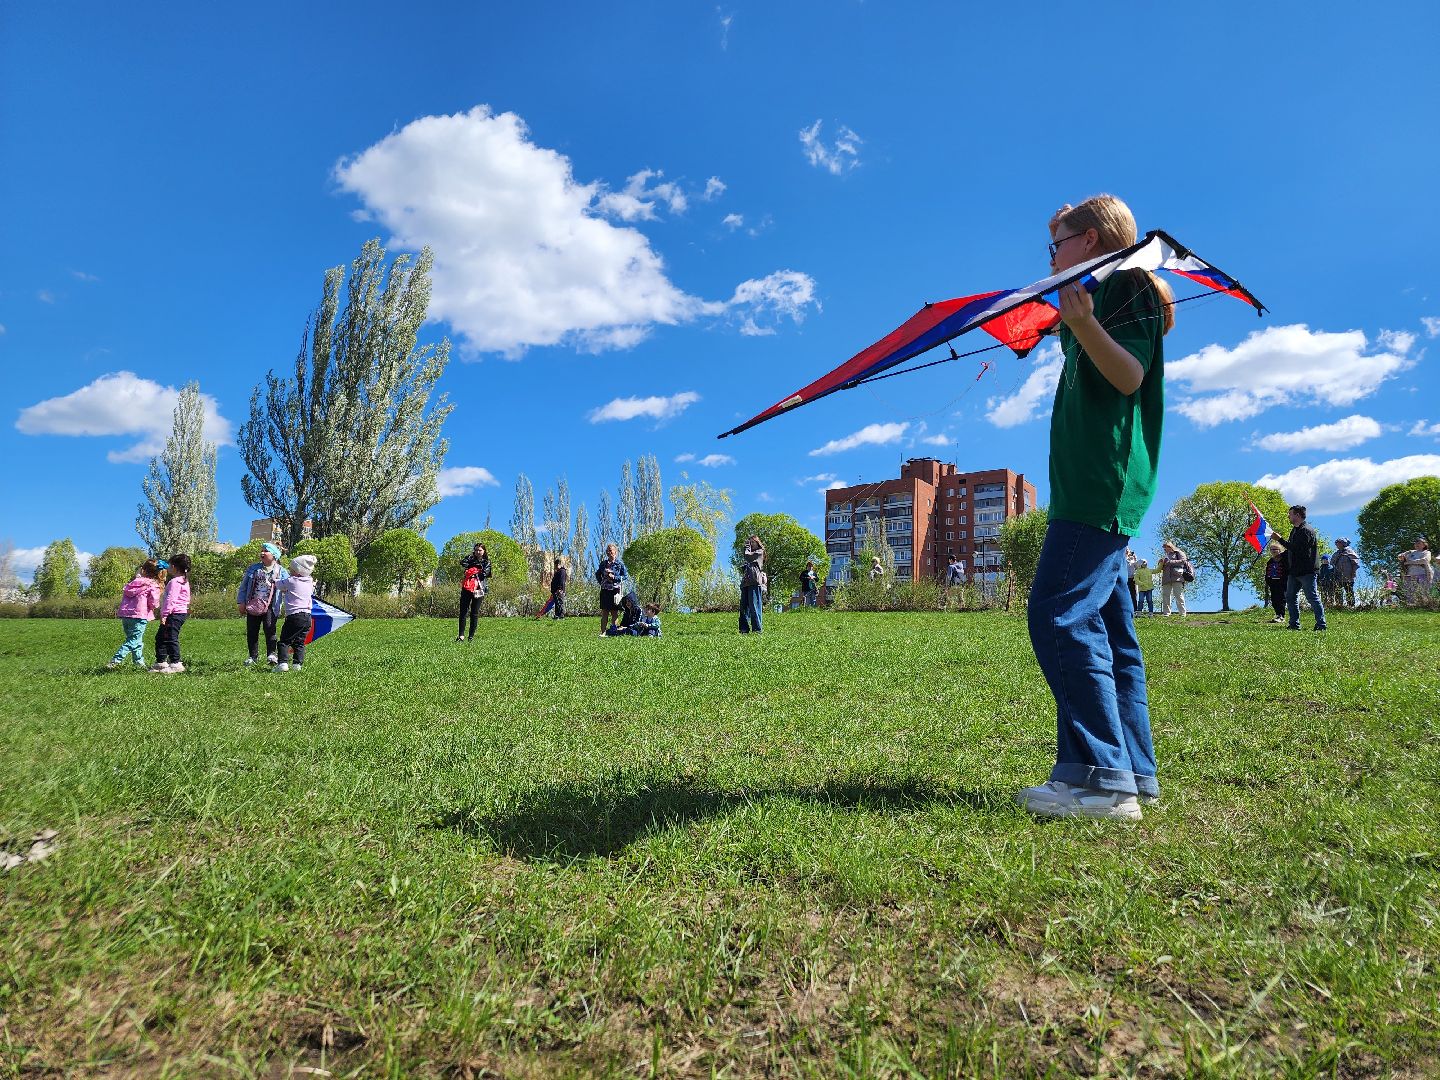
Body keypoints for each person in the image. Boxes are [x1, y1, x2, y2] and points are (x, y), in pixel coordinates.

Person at [1017, 193, 1175, 822]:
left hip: (1100, 483)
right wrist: (1064, 322)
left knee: (1058, 613)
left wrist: (1081, 322)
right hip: (1088, 481)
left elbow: (1130, 375)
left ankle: (1107, 782)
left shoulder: (1128, 282)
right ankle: (1124, 771)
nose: (1050, 254)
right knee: (1112, 634)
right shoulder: (1091, 296)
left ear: (1087, 241)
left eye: (1055, 243)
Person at [1274, 504, 1326, 631]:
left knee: (1312, 597)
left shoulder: (1306, 531)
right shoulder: (1295, 530)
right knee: (1290, 597)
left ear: (1297, 515)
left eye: (1290, 514)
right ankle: (1294, 624)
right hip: (1294, 571)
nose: (1288, 516)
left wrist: (1280, 539)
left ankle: (1321, 624)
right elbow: (1292, 549)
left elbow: (1298, 550)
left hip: (1307, 571)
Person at [109, 558, 165, 669]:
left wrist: (139, 575)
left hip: (126, 615)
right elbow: (153, 601)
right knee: (133, 640)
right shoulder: (152, 585)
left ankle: (139, 663)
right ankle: (115, 661)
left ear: (143, 570)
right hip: (139, 615)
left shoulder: (133, 582)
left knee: (136, 640)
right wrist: (154, 606)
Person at [237, 542, 287, 665]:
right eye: (262, 550)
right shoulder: (253, 569)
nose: (262, 553)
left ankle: (271, 654)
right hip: (253, 604)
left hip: (271, 606)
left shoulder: (281, 571)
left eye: (266, 551)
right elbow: (243, 586)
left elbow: (288, 587)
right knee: (252, 631)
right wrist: (241, 602)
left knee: (270, 630)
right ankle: (252, 657)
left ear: (274, 555)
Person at [274, 554, 316, 671]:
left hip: (294, 616)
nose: (289, 571)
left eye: (291, 569)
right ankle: (297, 664)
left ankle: (282, 663)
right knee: (299, 642)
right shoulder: (309, 581)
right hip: (307, 617)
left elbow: (279, 584)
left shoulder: (291, 580)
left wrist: (272, 580)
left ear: (297, 571)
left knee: (285, 640)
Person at [152, 553, 192, 673]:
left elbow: (171, 599)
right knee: (161, 637)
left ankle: (175, 663)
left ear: (174, 567)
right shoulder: (184, 581)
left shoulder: (175, 582)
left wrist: (164, 614)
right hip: (179, 613)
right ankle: (161, 662)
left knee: (170, 637)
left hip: (173, 614)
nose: (168, 568)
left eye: (169, 565)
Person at [457, 542, 491, 642]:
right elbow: (463, 562)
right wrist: (475, 567)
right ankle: (461, 635)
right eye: (476, 550)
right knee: (463, 611)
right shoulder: (470, 558)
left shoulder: (487, 562)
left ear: (484, 551)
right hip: (467, 588)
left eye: (480, 550)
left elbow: (484, 574)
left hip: (479, 589)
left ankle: (471, 636)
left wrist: (473, 569)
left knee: (474, 613)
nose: (478, 552)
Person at [596, 543, 628, 636]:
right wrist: (601, 581)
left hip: (615, 591)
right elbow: (597, 574)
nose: (609, 552)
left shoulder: (620, 564)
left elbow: (625, 576)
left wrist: (614, 577)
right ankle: (603, 632)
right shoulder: (603, 564)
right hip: (605, 590)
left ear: (616, 552)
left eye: (611, 550)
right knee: (604, 612)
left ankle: (614, 632)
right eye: (608, 551)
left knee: (614, 612)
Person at [739, 535, 765, 634]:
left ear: (757, 543)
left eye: (752, 542)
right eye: (749, 542)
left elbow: (748, 556)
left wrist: (746, 548)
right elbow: (746, 557)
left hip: (754, 582)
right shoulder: (749, 554)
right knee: (744, 607)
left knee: (754, 606)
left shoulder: (759, 552)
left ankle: (757, 629)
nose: (750, 544)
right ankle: (743, 629)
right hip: (745, 583)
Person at [1159, 541, 1192, 617]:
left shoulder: (1179, 552)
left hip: (1177, 577)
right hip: (1166, 578)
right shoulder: (1166, 555)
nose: (1164, 549)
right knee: (1166, 595)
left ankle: (1182, 613)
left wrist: (1170, 562)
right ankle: (1166, 613)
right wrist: (1161, 563)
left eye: (1165, 547)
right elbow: (1164, 566)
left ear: (1170, 546)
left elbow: (1183, 561)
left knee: (1178, 595)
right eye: (1164, 548)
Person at [1398, 537, 1434, 603]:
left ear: (1424, 545)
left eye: (1419, 543)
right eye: (1415, 543)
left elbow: (1425, 560)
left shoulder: (1427, 552)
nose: (1417, 544)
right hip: (1410, 574)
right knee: (1410, 592)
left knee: (1423, 591)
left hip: (1423, 574)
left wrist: (1410, 562)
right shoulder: (1411, 553)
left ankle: (1424, 606)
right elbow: (1400, 557)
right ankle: (1411, 607)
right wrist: (1404, 554)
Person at [1331, 538, 1360, 609]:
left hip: (1348, 576)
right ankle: (1339, 605)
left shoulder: (1350, 552)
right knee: (1338, 591)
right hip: (1337, 577)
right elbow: (1331, 564)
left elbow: (1356, 563)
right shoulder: (1336, 554)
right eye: (1336, 543)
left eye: (1338, 543)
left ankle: (1351, 606)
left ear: (1343, 543)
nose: (1336, 545)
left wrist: (1353, 573)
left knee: (1349, 591)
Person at [1263, 542, 1288, 624]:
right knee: (1274, 599)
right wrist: (1268, 580)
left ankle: (1281, 615)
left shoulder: (1284, 559)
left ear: (1280, 550)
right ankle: (1277, 614)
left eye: (1275, 549)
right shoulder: (1270, 561)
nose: (1273, 551)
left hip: (1282, 583)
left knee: (1281, 599)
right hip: (1273, 583)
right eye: (1271, 549)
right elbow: (1267, 572)